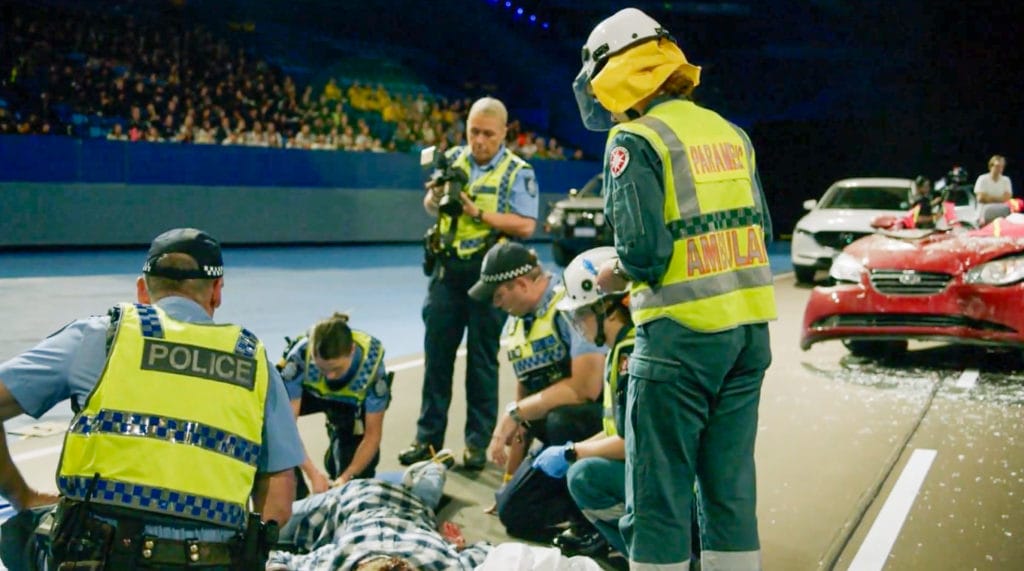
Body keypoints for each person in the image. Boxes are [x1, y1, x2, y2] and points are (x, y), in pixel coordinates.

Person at [575, 8, 777, 569]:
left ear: (619, 73)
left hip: (678, 342)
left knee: (657, 498)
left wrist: (613, 273)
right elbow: (760, 230)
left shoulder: (634, 139)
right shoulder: (732, 134)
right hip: (748, 338)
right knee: (729, 493)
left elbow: (644, 253)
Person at [0, 228, 303, 569]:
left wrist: (21, 495)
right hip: (211, 561)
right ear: (217, 291)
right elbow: (278, 499)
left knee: (19, 535)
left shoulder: (101, 337)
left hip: (100, 557)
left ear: (142, 289)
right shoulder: (255, 363)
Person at [400, 96, 539, 471]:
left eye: (488, 134)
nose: (479, 141)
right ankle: (426, 439)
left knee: (481, 361)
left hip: (489, 277)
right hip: (447, 272)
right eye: (474, 132)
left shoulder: (517, 171)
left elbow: (526, 225)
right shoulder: (452, 160)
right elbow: (432, 207)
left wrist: (478, 213)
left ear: (504, 133)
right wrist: (434, 197)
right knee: (437, 357)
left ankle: (477, 443)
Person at [468, 242, 605, 541]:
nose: (496, 304)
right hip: (560, 442)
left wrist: (513, 414)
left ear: (521, 284)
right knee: (514, 512)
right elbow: (526, 411)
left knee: (563, 419)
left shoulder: (571, 303)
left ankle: (590, 521)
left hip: (603, 428)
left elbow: (586, 389)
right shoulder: (517, 326)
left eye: (498, 295)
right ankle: (579, 509)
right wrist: (509, 481)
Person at [528, 246, 633, 558]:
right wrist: (575, 448)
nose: (577, 322)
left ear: (607, 308)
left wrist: (572, 451)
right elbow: (617, 430)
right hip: (669, 476)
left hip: (672, 484)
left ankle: (652, 552)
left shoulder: (630, 356)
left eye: (581, 313)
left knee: (584, 477)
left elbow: (634, 442)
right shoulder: (619, 351)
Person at [267, 449, 493, 570]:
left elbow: (488, 552)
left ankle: (434, 466)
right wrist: (457, 548)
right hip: (360, 499)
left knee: (264, 526)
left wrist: (457, 547)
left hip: (380, 503)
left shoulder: (445, 562)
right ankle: (434, 465)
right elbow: (279, 560)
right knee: (265, 525)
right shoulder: (333, 561)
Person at [278, 313, 391, 498]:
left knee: (354, 483)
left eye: (336, 369)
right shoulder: (299, 357)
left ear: (352, 350)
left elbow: (372, 437)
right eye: (322, 368)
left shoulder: (372, 371)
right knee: (270, 433)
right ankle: (296, 497)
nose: (329, 376)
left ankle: (338, 449)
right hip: (308, 395)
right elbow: (285, 430)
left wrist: (347, 477)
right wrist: (312, 474)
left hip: (349, 405)